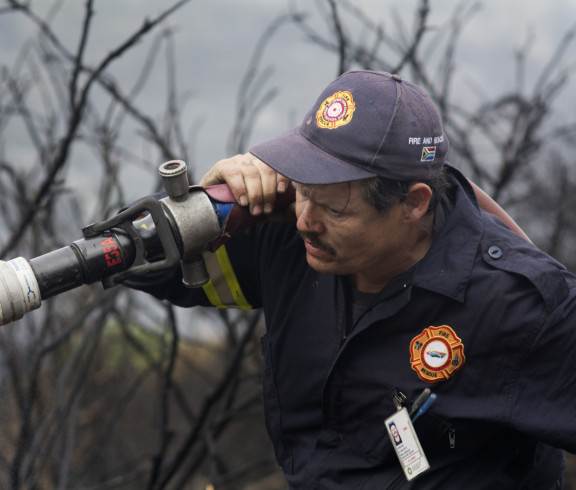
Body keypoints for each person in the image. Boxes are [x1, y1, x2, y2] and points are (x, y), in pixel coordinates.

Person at [128, 70, 576, 488]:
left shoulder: (523, 305)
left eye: (334, 208)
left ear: (414, 204)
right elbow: (136, 261)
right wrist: (206, 207)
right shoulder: (288, 241)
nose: (305, 220)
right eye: (301, 188)